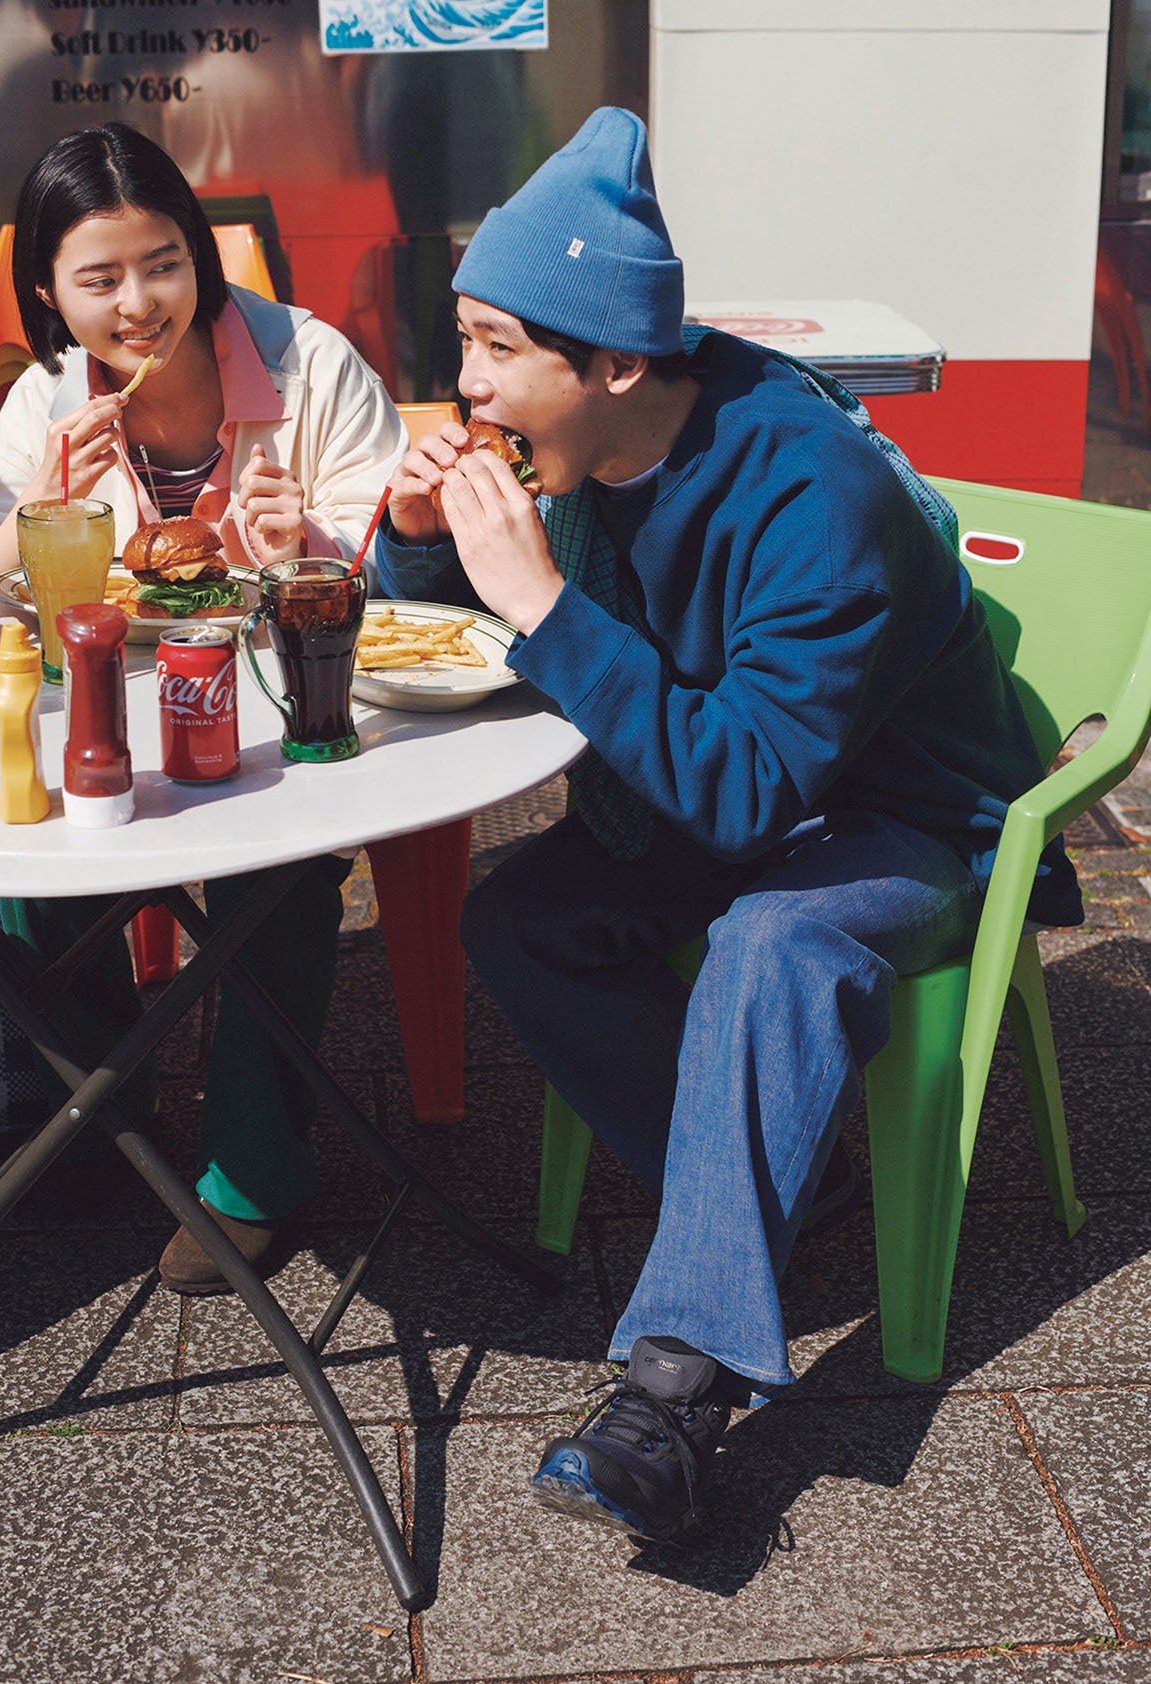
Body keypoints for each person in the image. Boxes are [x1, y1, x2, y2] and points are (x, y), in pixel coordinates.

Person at [375, 107, 1083, 1543]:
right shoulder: (577, 453)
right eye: (464, 340)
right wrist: (414, 542)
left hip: (892, 812)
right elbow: (466, 623)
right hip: (705, 787)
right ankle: (780, 1186)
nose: (470, 385)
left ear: (618, 363)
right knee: (521, 918)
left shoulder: (816, 492)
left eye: (500, 348)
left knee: (769, 942)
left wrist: (540, 605)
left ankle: (677, 1396)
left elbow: (759, 795)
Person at [0, 122, 407, 1293]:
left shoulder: (305, 364)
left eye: (161, 263)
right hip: (103, 703)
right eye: (98, 280)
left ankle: (256, 1170)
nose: (138, 305)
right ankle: (112, 1110)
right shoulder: (46, 401)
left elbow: (395, 557)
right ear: (50, 296)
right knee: (34, 853)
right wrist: (37, 514)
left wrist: (299, 541)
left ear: (199, 258)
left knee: (286, 865)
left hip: (276, 700)